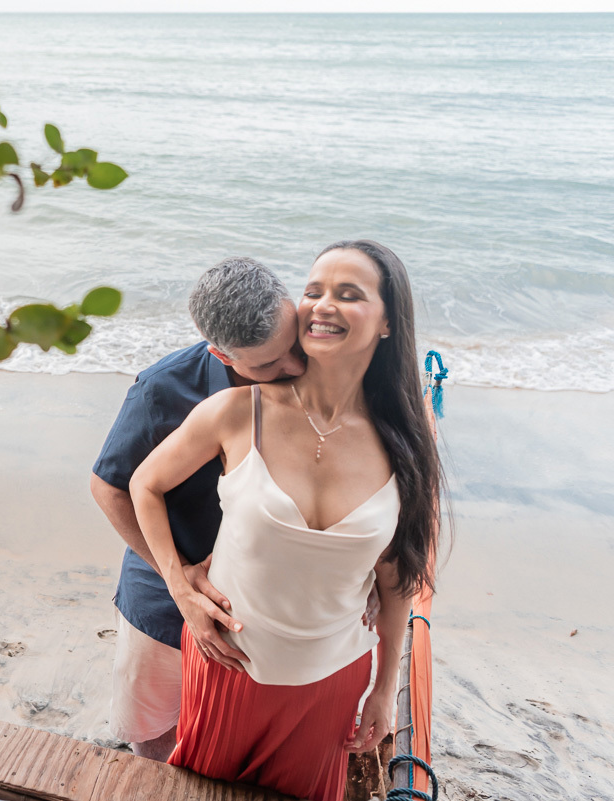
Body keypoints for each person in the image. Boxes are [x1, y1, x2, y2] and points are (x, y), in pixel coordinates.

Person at [129, 240, 443, 801]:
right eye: (313, 290)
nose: (323, 304)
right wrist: (181, 589)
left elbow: (396, 578)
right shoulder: (235, 412)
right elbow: (141, 484)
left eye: (348, 294)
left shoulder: (407, 443)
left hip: (335, 676)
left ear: (389, 321)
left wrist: (383, 685)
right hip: (230, 667)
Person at [90, 256, 308, 761]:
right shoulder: (163, 389)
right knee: (154, 734)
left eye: (294, 347)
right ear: (222, 355)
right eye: (268, 365)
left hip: (264, 598)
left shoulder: (314, 365)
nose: (293, 369)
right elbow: (110, 488)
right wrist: (178, 579)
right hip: (166, 589)